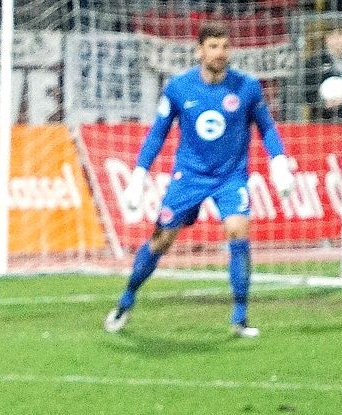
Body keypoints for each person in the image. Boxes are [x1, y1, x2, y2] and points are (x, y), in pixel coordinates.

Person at [104, 23, 295, 339]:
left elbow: (267, 127)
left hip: (230, 177)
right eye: (213, 47)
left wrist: (278, 161)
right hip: (189, 177)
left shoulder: (246, 87)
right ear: (199, 51)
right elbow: (158, 133)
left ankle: (240, 318)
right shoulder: (179, 88)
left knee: (238, 231)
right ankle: (126, 300)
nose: (220, 53)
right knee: (162, 240)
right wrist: (138, 176)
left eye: (224, 46)